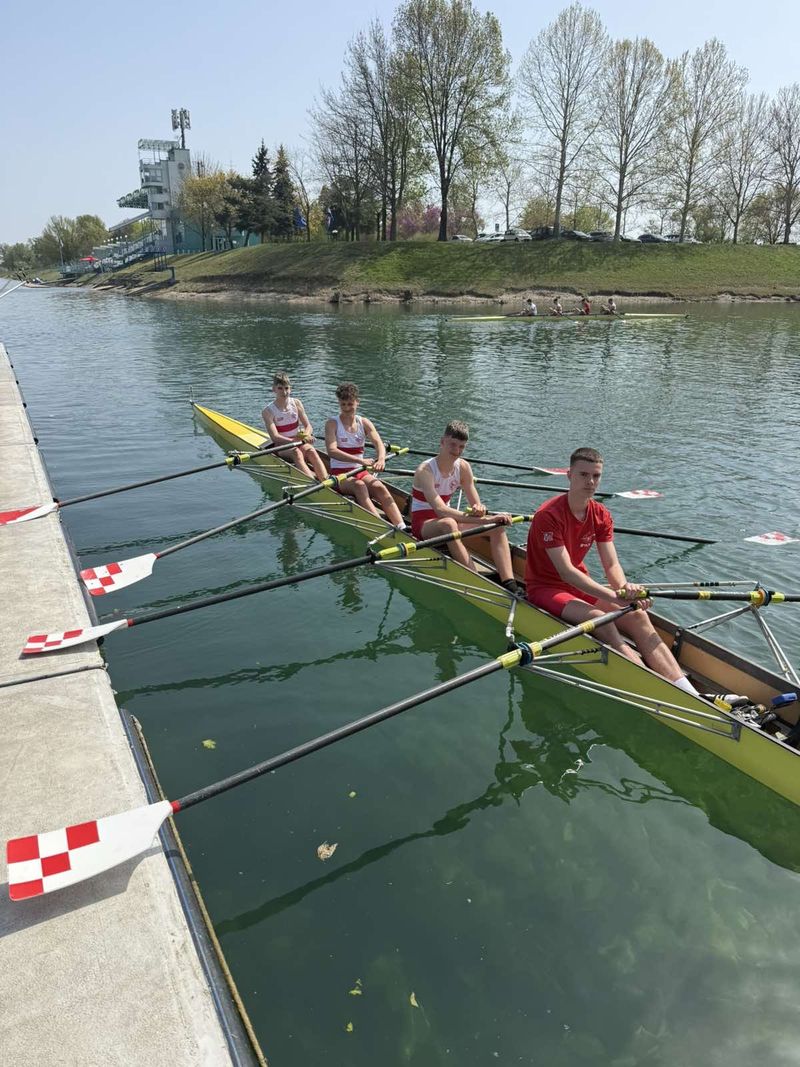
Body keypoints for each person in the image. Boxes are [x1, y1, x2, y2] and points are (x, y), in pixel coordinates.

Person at [525, 447, 700, 695]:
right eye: (584, 475)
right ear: (569, 475)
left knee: (638, 616)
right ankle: (653, 688)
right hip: (545, 588)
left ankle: (687, 690)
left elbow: (611, 565)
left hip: (579, 585)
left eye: (596, 476)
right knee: (601, 619)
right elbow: (566, 572)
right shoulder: (548, 515)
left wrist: (625, 590)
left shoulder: (600, 514)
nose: (590, 482)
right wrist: (613, 598)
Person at [411, 421, 526, 596]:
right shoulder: (425, 470)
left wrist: (482, 511)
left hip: (449, 522)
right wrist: (486, 518)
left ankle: (510, 583)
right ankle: (477, 581)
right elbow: (441, 511)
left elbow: (476, 506)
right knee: (449, 523)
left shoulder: (463, 467)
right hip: (424, 525)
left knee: (496, 528)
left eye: (461, 447)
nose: (456, 451)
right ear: (442, 442)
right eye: (453, 445)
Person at [325, 382, 406, 528]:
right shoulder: (332, 424)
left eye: (350, 404)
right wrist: (360, 461)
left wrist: (381, 459)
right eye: (343, 404)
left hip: (359, 472)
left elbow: (378, 443)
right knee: (360, 486)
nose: (346, 408)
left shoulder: (364, 423)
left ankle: (402, 527)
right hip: (340, 475)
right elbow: (332, 451)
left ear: (357, 402)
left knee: (380, 487)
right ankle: (380, 526)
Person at [262, 372, 328, 481]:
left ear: (290, 389)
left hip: (298, 442)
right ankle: (312, 483)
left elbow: (308, 426)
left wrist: (306, 435)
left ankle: (325, 481)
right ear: (274, 389)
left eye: (287, 388)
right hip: (282, 447)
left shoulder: (296, 403)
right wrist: (294, 441)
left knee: (312, 451)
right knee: (296, 452)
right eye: (280, 388)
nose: (284, 392)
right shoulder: (268, 411)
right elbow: (275, 437)